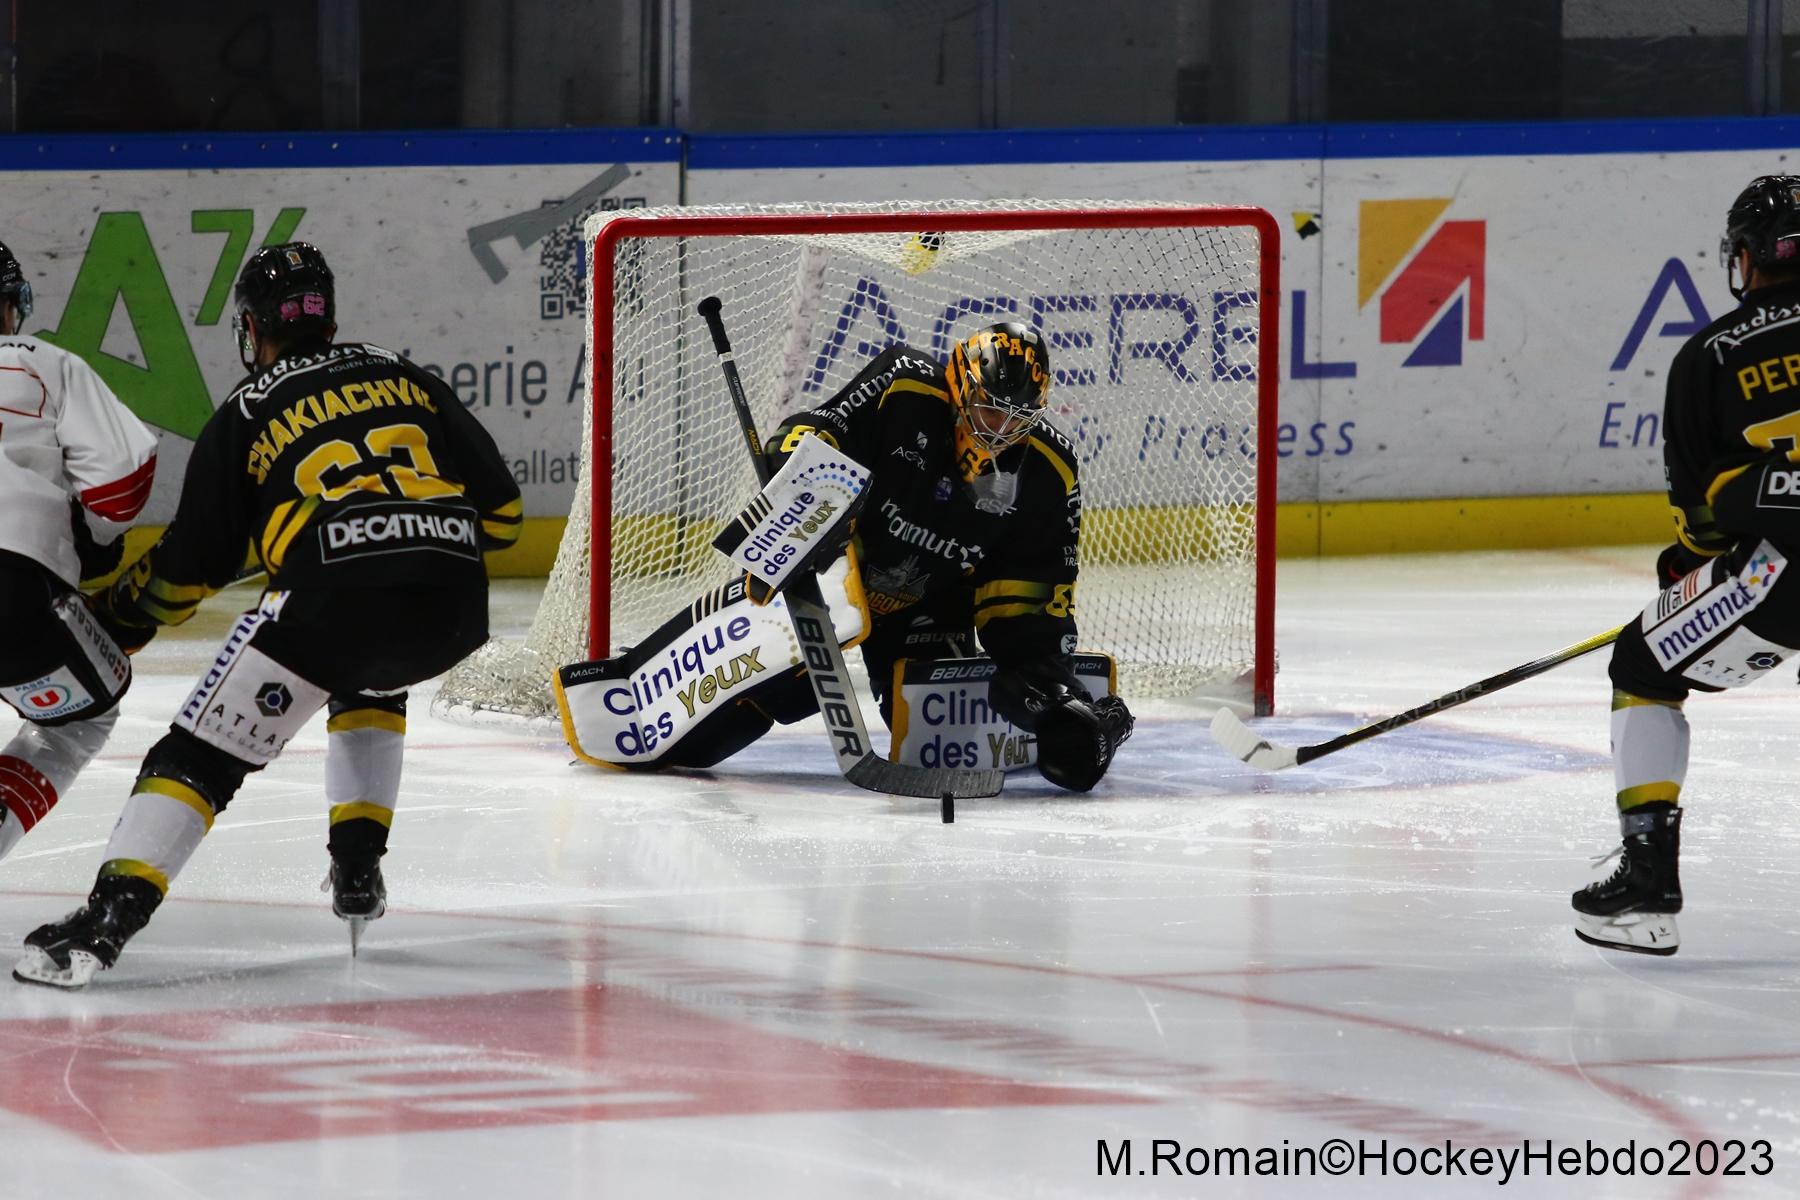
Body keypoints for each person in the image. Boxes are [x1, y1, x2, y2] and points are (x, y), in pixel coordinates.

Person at [14, 242, 523, 989]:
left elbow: (190, 568)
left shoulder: (247, 410)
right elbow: (504, 516)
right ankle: (357, 870)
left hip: (327, 601)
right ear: (329, 315)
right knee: (373, 679)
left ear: (251, 329)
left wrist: (116, 621)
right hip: (451, 603)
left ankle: (104, 924)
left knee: (197, 758)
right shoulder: (405, 375)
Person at [562, 320, 1133, 792]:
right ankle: (628, 698)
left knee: (941, 744)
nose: (1001, 431)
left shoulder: (1049, 472)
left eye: (1019, 419)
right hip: (836, 573)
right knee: (728, 722)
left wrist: (1050, 690)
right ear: (959, 389)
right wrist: (796, 487)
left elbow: (1029, 591)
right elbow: (819, 433)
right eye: (989, 412)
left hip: (929, 605)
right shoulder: (904, 384)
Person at [1573, 174, 1800, 956]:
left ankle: (1647, 886)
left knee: (1644, 664)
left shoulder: (1710, 353)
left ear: (1745, 258)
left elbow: (1700, 519)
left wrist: (1690, 567)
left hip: (1779, 574)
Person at [0, 239, 158, 866]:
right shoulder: (41, 361)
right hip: (12, 583)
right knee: (76, 722)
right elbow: (122, 481)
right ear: (12, 304)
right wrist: (88, 540)